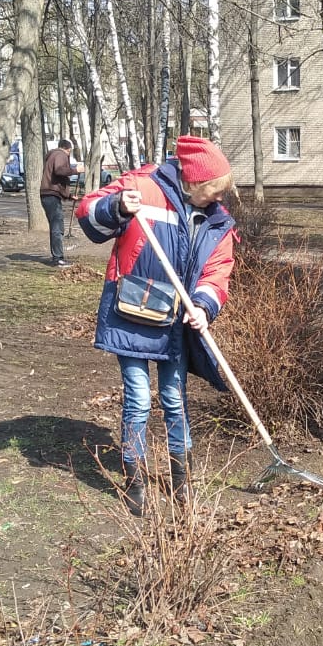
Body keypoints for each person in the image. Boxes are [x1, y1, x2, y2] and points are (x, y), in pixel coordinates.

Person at [76, 135, 236, 515]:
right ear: (194, 182)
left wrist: (203, 305)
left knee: (175, 400)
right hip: (131, 314)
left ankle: (181, 480)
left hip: (174, 323)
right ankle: (134, 479)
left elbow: (218, 271)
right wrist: (116, 206)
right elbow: (88, 214)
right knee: (137, 399)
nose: (216, 200)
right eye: (211, 191)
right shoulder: (142, 187)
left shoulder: (216, 218)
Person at [39, 139, 84, 267]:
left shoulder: (53, 155)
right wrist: (76, 170)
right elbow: (59, 170)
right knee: (57, 226)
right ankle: (57, 258)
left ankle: (57, 256)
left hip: (49, 195)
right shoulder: (60, 154)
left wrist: (69, 196)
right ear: (68, 149)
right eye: (69, 153)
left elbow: (56, 180)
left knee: (56, 225)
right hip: (50, 196)